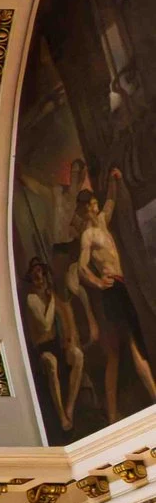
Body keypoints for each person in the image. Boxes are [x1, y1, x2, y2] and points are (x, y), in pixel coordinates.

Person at [72, 173, 156, 425]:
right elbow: (81, 267)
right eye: (90, 206)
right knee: (128, 346)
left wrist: (114, 181)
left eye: (95, 204)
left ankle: (115, 411)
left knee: (122, 350)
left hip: (121, 287)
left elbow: (111, 200)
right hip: (112, 292)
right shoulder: (89, 236)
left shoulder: (102, 222)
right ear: (83, 210)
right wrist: (98, 282)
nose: (95, 208)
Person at [24, 257, 84, 433]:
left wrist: (71, 339)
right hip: (42, 349)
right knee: (51, 363)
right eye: (36, 276)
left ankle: (70, 408)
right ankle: (61, 416)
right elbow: (46, 325)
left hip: (57, 344)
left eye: (41, 274)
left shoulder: (52, 296)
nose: (39, 278)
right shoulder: (32, 298)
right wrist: (50, 301)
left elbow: (65, 313)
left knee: (78, 356)